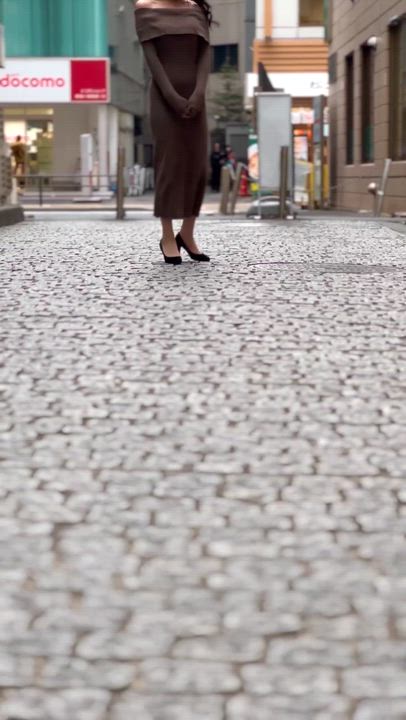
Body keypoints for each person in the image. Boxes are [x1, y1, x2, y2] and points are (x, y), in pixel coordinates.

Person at [135, 0, 212, 264]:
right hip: (163, 99)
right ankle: (167, 236)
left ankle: (187, 233)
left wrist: (199, 93)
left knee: (198, 165)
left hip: (196, 97)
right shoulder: (145, 8)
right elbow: (152, 60)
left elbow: (204, 53)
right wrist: (172, 97)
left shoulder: (195, 8)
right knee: (169, 164)